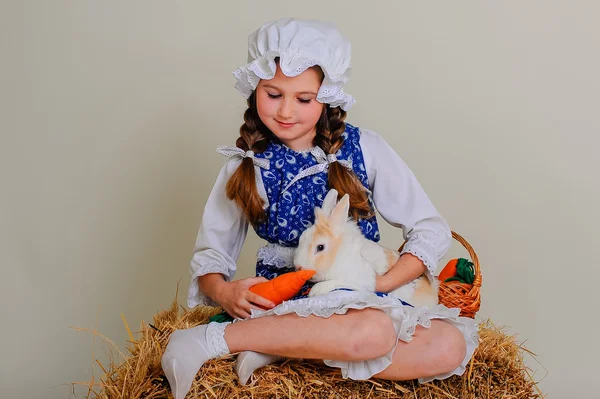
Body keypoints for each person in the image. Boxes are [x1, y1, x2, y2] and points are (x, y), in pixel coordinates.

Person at [161, 18, 478, 399]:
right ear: (254, 88)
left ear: (327, 96)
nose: (285, 111)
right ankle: (208, 340)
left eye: (304, 99)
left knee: (448, 346)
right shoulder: (246, 165)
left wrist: (380, 284)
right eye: (273, 94)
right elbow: (212, 257)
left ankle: (278, 348)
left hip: (366, 295)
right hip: (294, 298)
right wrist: (226, 295)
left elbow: (429, 228)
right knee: (374, 331)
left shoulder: (366, 148)